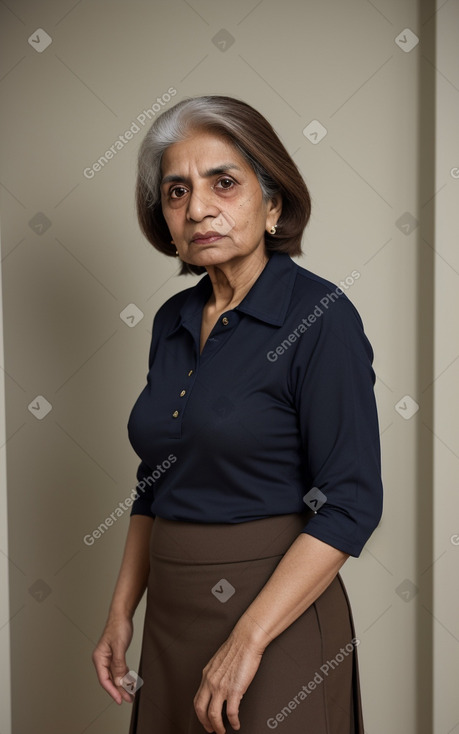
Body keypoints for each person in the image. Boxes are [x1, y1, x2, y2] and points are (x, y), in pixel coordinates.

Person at [92, 95, 383, 734]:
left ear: (272, 203)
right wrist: (121, 612)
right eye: (176, 192)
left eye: (223, 183)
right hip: (172, 613)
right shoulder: (171, 322)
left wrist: (247, 640)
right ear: (163, 218)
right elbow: (155, 480)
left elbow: (352, 503)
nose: (198, 208)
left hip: (273, 619)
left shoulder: (321, 318)